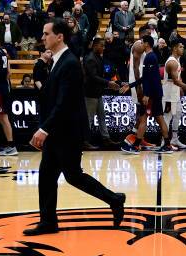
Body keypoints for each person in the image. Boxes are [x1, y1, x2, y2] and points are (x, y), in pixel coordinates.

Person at [27, 19, 126, 236]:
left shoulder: (70, 63)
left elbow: (64, 103)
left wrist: (44, 129)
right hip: (57, 131)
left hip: (68, 132)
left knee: (73, 176)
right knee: (46, 176)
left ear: (59, 36)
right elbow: (49, 96)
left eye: (46, 33)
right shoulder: (56, 61)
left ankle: (115, 199)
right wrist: (40, 67)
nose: (42, 38)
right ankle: (48, 222)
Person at [119, 35, 174, 154]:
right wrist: (131, 85)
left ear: (147, 44)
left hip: (152, 94)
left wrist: (147, 94)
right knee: (159, 118)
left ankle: (136, 145)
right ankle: (167, 145)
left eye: (142, 43)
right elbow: (146, 77)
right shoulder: (151, 57)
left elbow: (151, 79)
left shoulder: (150, 57)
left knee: (143, 118)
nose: (141, 45)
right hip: (156, 93)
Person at [83, 37, 121, 149]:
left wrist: (113, 81)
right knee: (89, 119)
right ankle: (84, 141)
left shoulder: (97, 57)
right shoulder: (90, 58)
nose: (103, 48)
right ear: (95, 46)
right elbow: (93, 77)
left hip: (97, 93)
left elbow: (101, 74)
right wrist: (109, 83)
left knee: (102, 116)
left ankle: (106, 139)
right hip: (90, 93)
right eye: (102, 45)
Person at [163, 40, 186, 150]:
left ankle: (174, 139)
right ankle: (164, 142)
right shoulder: (172, 62)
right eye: (181, 46)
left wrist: (180, 90)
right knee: (167, 117)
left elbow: (178, 79)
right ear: (174, 48)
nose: (183, 48)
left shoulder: (177, 60)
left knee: (178, 114)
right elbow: (176, 81)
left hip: (175, 92)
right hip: (169, 93)